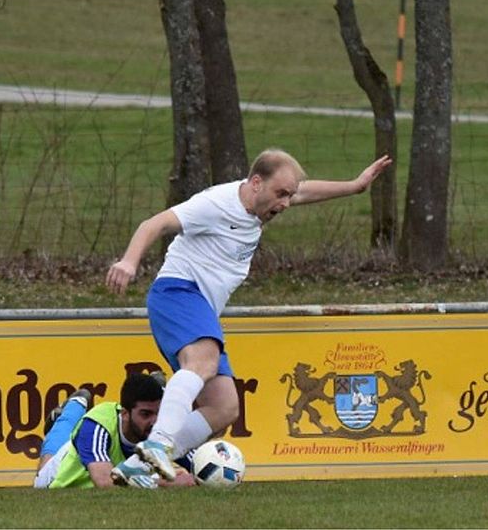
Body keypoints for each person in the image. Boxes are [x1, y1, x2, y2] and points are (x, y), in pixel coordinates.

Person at [106, 149, 392, 486]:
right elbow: (155, 223)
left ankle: (140, 464)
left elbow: (305, 190)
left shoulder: (260, 201)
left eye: (289, 195)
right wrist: (129, 261)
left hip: (197, 306)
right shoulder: (214, 204)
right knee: (202, 363)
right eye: (280, 194)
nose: (285, 203)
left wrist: (354, 186)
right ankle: (158, 444)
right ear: (256, 183)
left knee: (223, 406)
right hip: (178, 292)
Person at [33, 373, 195, 489]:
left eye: (158, 413)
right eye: (145, 414)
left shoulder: (162, 429)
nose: (154, 421)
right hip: (61, 479)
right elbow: (105, 481)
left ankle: (76, 404)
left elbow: (202, 464)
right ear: (125, 414)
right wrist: (166, 482)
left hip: (118, 474)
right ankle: (74, 405)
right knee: (48, 462)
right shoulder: (98, 424)